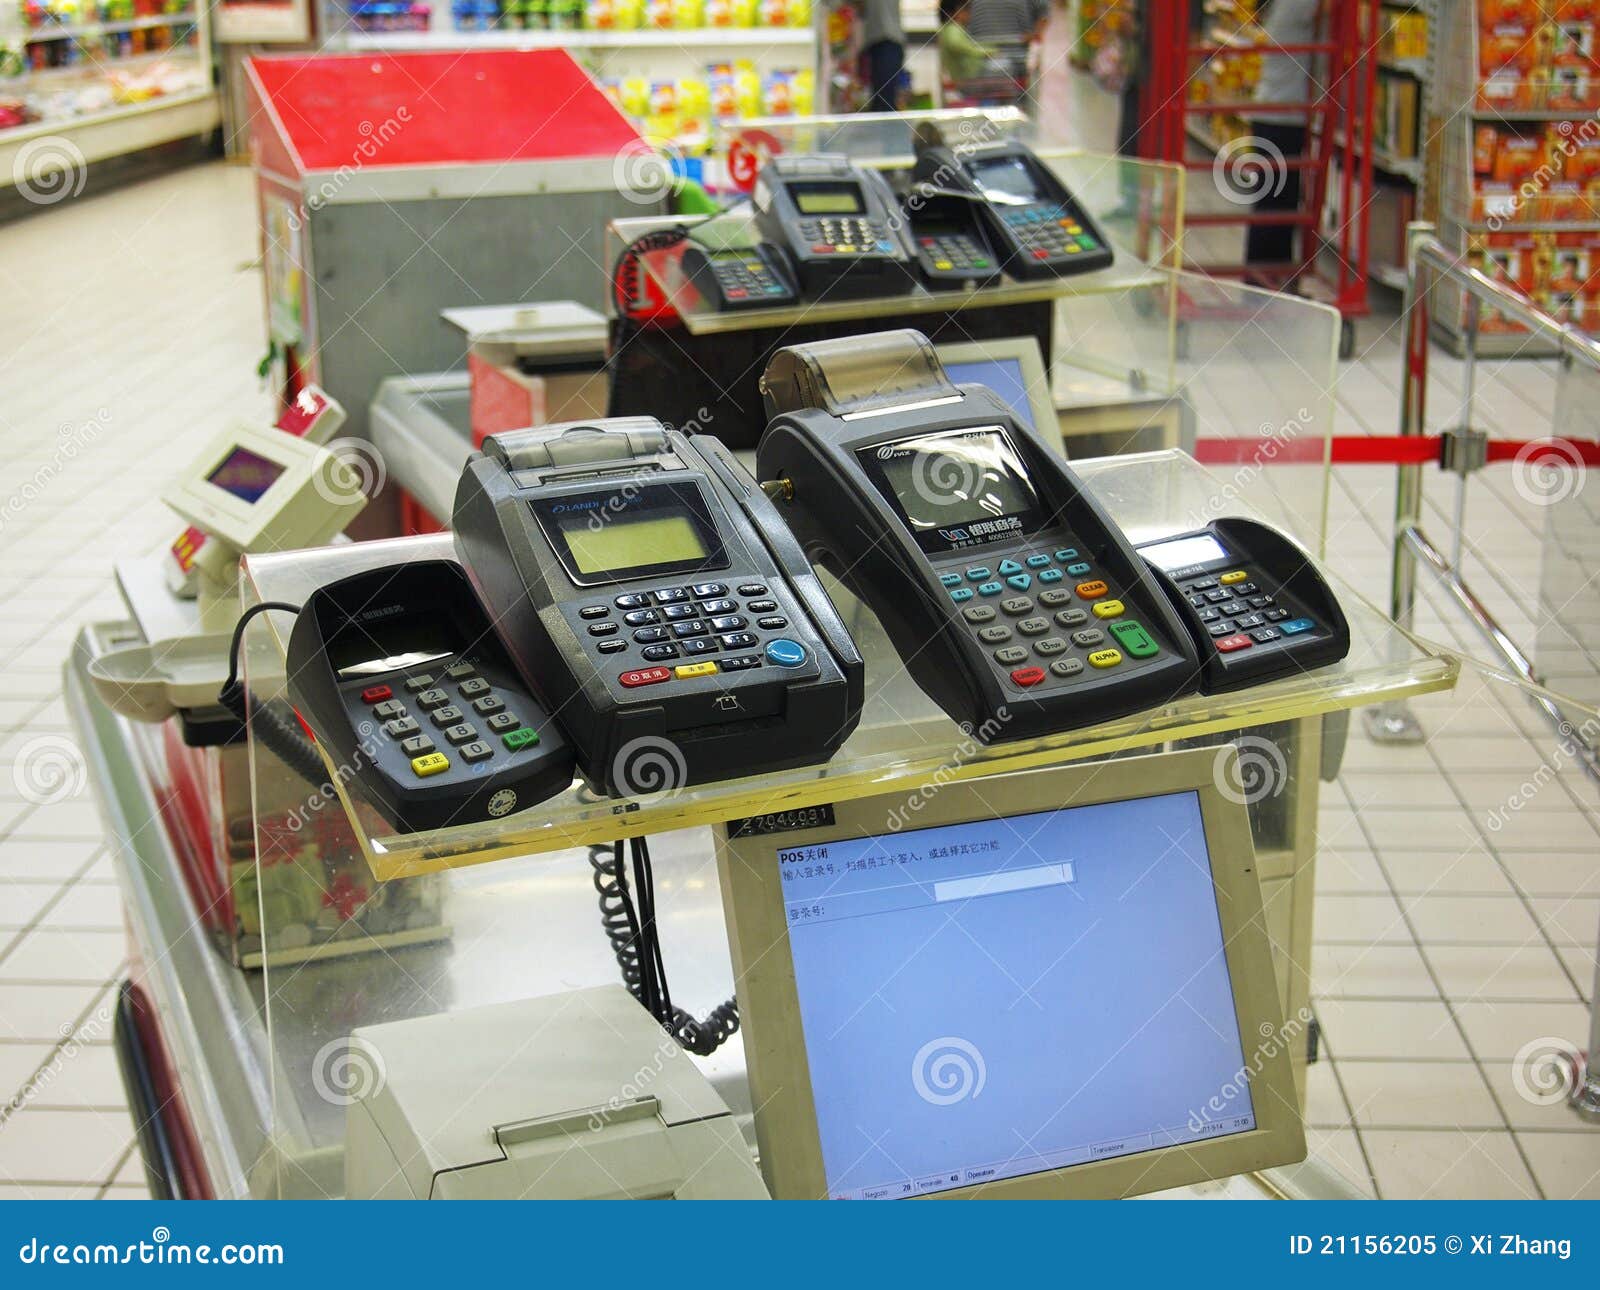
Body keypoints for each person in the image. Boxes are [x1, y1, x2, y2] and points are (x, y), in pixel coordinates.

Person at [1245, 0, 1320, 266]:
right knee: (1276, 205)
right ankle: (1264, 275)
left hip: (1275, 112)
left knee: (1275, 203)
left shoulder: (1279, 6)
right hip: (1282, 116)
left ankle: (1271, 274)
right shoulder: (1294, 4)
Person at [939, 0, 999, 85]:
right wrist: (985, 52)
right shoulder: (953, 29)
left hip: (964, 79)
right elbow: (956, 44)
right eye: (967, 10)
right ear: (958, 11)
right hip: (965, 80)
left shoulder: (951, 28)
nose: (970, 14)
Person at [861, 0, 906, 114]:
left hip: (886, 40)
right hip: (883, 42)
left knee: (884, 102)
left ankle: (886, 130)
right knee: (882, 99)